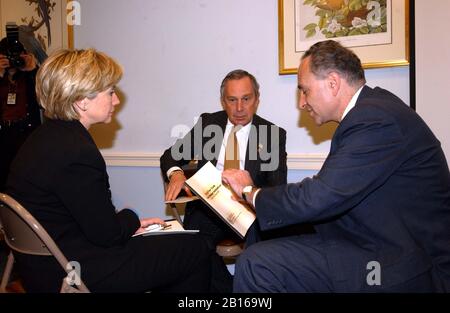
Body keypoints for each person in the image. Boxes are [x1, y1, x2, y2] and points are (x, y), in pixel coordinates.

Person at [223, 40, 450, 292]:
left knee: (256, 264)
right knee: (262, 233)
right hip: (377, 241)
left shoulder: (375, 119)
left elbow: (320, 195)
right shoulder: (372, 110)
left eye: (304, 90)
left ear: (332, 83)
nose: (301, 102)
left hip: (404, 263)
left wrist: (250, 193)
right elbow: (330, 196)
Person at [5, 48, 211, 293]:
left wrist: (127, 225)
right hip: (72, 272)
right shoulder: (76, 151)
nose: (116, 100)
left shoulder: (43, 138)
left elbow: (83, 219)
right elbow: (107, 236)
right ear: (82, 100)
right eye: (111, 92)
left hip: (41, 267)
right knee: (196, 247)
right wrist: (131, 217)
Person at [160, 69, 288, 292]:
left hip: (249, 212)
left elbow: (276, 189)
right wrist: (177, 173)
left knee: (259, 253)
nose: (239, 108)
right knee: (193, 247)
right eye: (232, 100)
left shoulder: (271, 134)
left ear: (257, 99)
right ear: (223, 101)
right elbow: (170, 156)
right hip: (208, 209)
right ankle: (229, 291)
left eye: (246, 99)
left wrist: (248, 190)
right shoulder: (209, 124)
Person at [0, 38, 41, 191]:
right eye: (7, 56)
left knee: (25, 179)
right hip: (3, 135)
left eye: (16, 56)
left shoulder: (29, 77)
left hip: (27, 135)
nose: (12, 61)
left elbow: (44, 100)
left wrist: (33, 71)